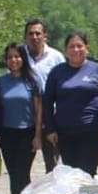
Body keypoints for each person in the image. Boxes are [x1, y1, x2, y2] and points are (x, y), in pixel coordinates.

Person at [43, 32, 98, 175]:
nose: (76, 50)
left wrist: (96, 111)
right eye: (71, 46)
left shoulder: (97, 70)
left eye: (79, 46)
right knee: (72, 174)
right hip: (65, 133)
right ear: (66, 50)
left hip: (93, 131)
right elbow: (47, 101)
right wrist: (50, 129)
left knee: (88, 172)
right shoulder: (57, 72)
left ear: (87, 48)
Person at [0, 44, 43, 194]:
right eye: (10, 57)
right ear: (6, 60)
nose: (13, 60)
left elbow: (39, 111)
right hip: (7, 134)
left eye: (17, 56)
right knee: (13, 174)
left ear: (23, 58)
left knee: (22, 173)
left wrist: (38, 136)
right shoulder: (1, 82)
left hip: (27, 133)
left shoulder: (32, 80)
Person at [23, 19, 66, 172]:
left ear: (45, 36)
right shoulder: (19, 57)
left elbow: (64, 85)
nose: (34, 37)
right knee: (23, 166)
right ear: (25, 37)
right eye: (31, 34)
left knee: (52, 164)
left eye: (38, 33)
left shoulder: (56, 57)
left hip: (51, 117)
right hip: (26, 118)